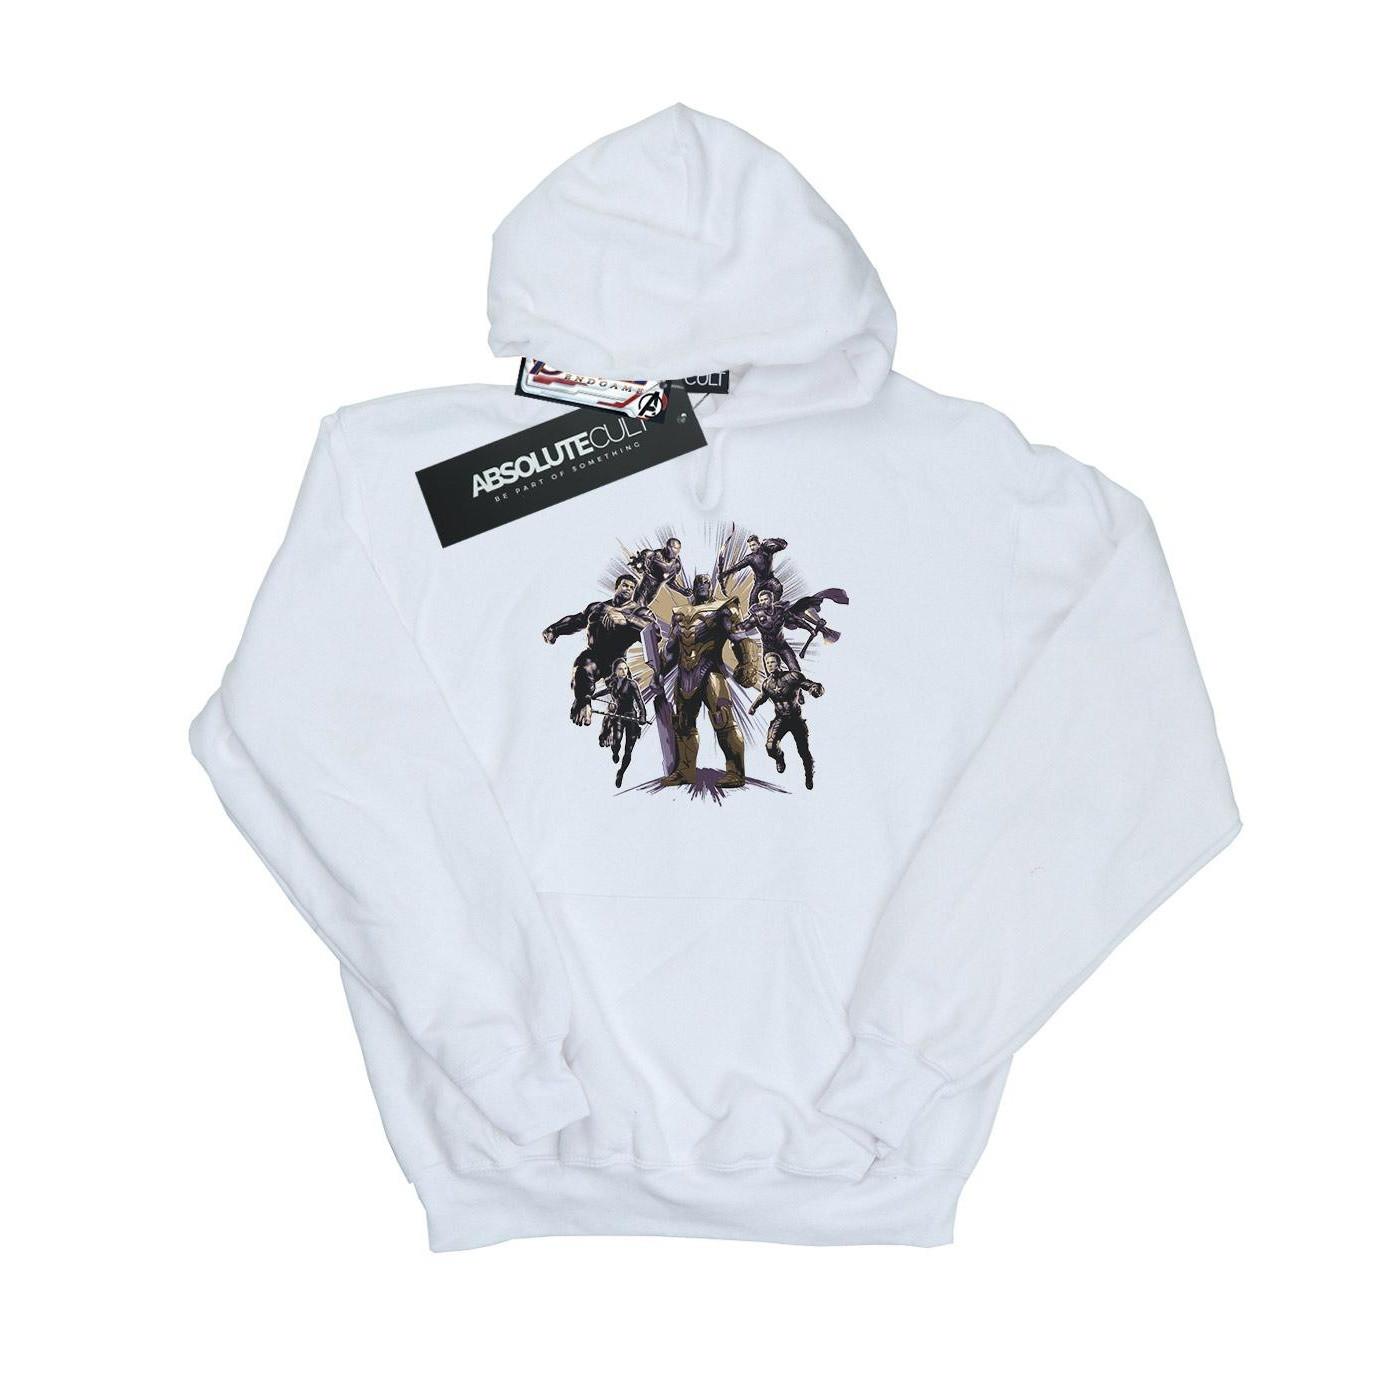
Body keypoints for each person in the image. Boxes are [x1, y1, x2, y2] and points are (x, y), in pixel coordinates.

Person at [654, 573, 760, 788]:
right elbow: (672, 649)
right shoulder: (679, 613)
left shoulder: (723, 608)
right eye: (698, 582)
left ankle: (735, 772)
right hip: (684, 675)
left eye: (705, 582)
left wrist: (748, 663)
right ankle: (685, 771)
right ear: (693, 587)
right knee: (683, 724)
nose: (702, 585)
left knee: (723, 720)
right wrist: (660, 673)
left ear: (711, 586)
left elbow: (739, 638)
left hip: (711, 671)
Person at [542, 575, 655, 725]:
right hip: (594, 656)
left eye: (631, 587)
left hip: (617, 661)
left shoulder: (638, 612)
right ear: (617, 587)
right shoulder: (597, 607)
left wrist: (627, 620)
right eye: (625, 585)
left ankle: (633, 720)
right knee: (583, 669)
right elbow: (576, 621)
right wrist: (554, 629)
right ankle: (583, 705)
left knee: (626, 699)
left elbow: (654, 633)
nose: (628, 589)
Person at [748, 651, 824, 789]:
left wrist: (816, 689)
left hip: (796, 719)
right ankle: (779, 758)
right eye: (767, 663)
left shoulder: (792, 676)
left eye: (772, 662)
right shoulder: (767, 683)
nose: (769, 665)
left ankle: (809, 773)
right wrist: (754, 707)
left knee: (803, 751)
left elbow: (809, 684)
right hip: (780, 719)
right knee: (770, 747)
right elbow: (763, 697)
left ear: (778, 663)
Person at [595, 658, 646, 787]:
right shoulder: (613, 683)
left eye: (625, 668)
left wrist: (642, 715)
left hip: (631, 717)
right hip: (618, 716)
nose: (623, 671)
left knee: (629, 749)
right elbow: (606, 691)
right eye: (620, 669)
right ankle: (615, 751)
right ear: (615, 671)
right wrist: (595, 695)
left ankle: (621, 772)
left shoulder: (632, 684)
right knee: (616, 740)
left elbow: (639, 701)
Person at [720, 534, 787, 601]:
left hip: (770, 579)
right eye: (750, 546)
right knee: (752, 601)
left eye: (753, 545)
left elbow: (783, 545)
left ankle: (773, 605)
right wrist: (724, 574)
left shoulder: (767, 550)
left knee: (778, 587)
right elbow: (737, 567)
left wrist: (770, 540)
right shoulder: (750, 558)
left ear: (759, 544)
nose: (752, 548)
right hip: (759, 582)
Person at [627, 537, 684, 605]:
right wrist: (639, 563)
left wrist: (682, 590)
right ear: (667, 547)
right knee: (638, 606)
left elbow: (670, 582)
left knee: (643, 607)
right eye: (673, 548)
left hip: (653, 594)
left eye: (677, 549)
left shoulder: (676, 565)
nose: (675, 552)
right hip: (644, 588)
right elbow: (641, 562)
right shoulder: (654, 555)